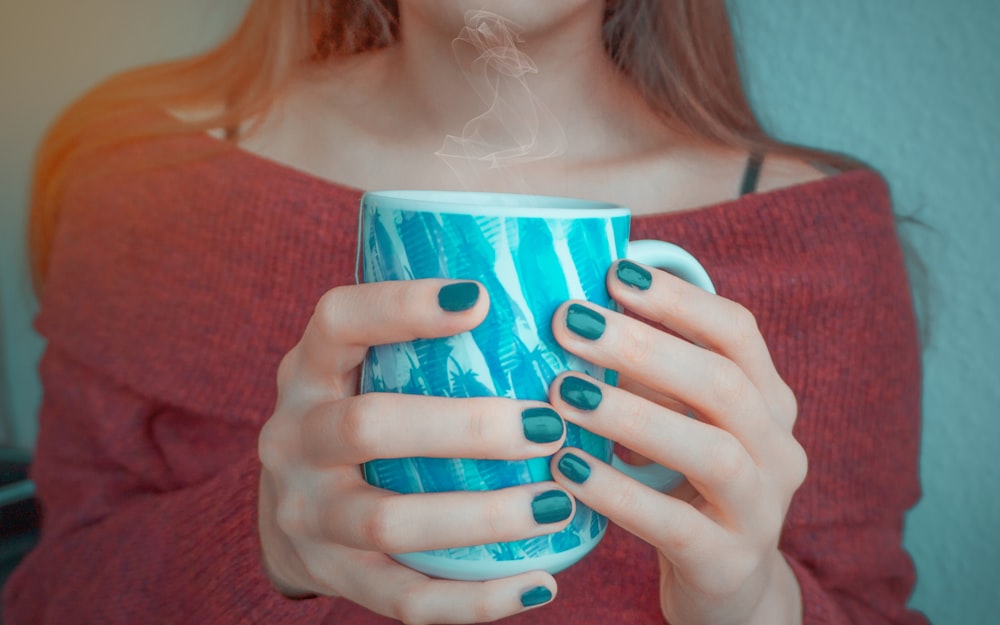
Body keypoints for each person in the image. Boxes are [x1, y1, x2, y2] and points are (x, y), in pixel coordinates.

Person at [3, 1, 929, 624]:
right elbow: (50, 595)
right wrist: (264, 542)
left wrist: (754, 602)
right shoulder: (143, 177)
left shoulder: (816, 239)